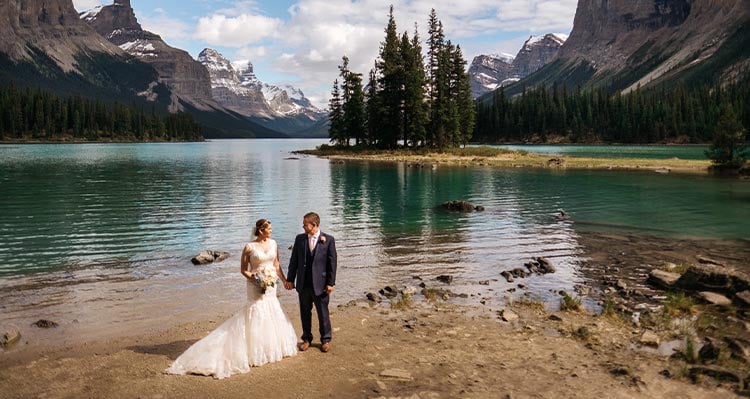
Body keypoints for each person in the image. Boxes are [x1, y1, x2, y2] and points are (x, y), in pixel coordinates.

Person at [166, 219, 297, 379]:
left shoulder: (274, 243)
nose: (271, 230)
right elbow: (243, 270)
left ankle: (269, 348)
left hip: (271, 284)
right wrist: (256, 279)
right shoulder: (249, 247)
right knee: (256, 311)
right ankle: (253, 351)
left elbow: (276, 265)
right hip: (255, 284)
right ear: (261, 230)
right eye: (269, 228)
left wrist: (283, 281)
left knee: (271, 309)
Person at [285, 212, 337, 353]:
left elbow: (332, 263)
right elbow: (294, 261)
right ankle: (307, 338)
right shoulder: (300, 239)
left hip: (321, 284)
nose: (303, 226)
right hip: (303, 283)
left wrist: (330, 283)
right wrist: (290, 279)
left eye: (305, 224)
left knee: (323, 313)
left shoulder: (329, 240)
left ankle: (325, 339)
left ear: (314, 225)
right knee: (304, 312)